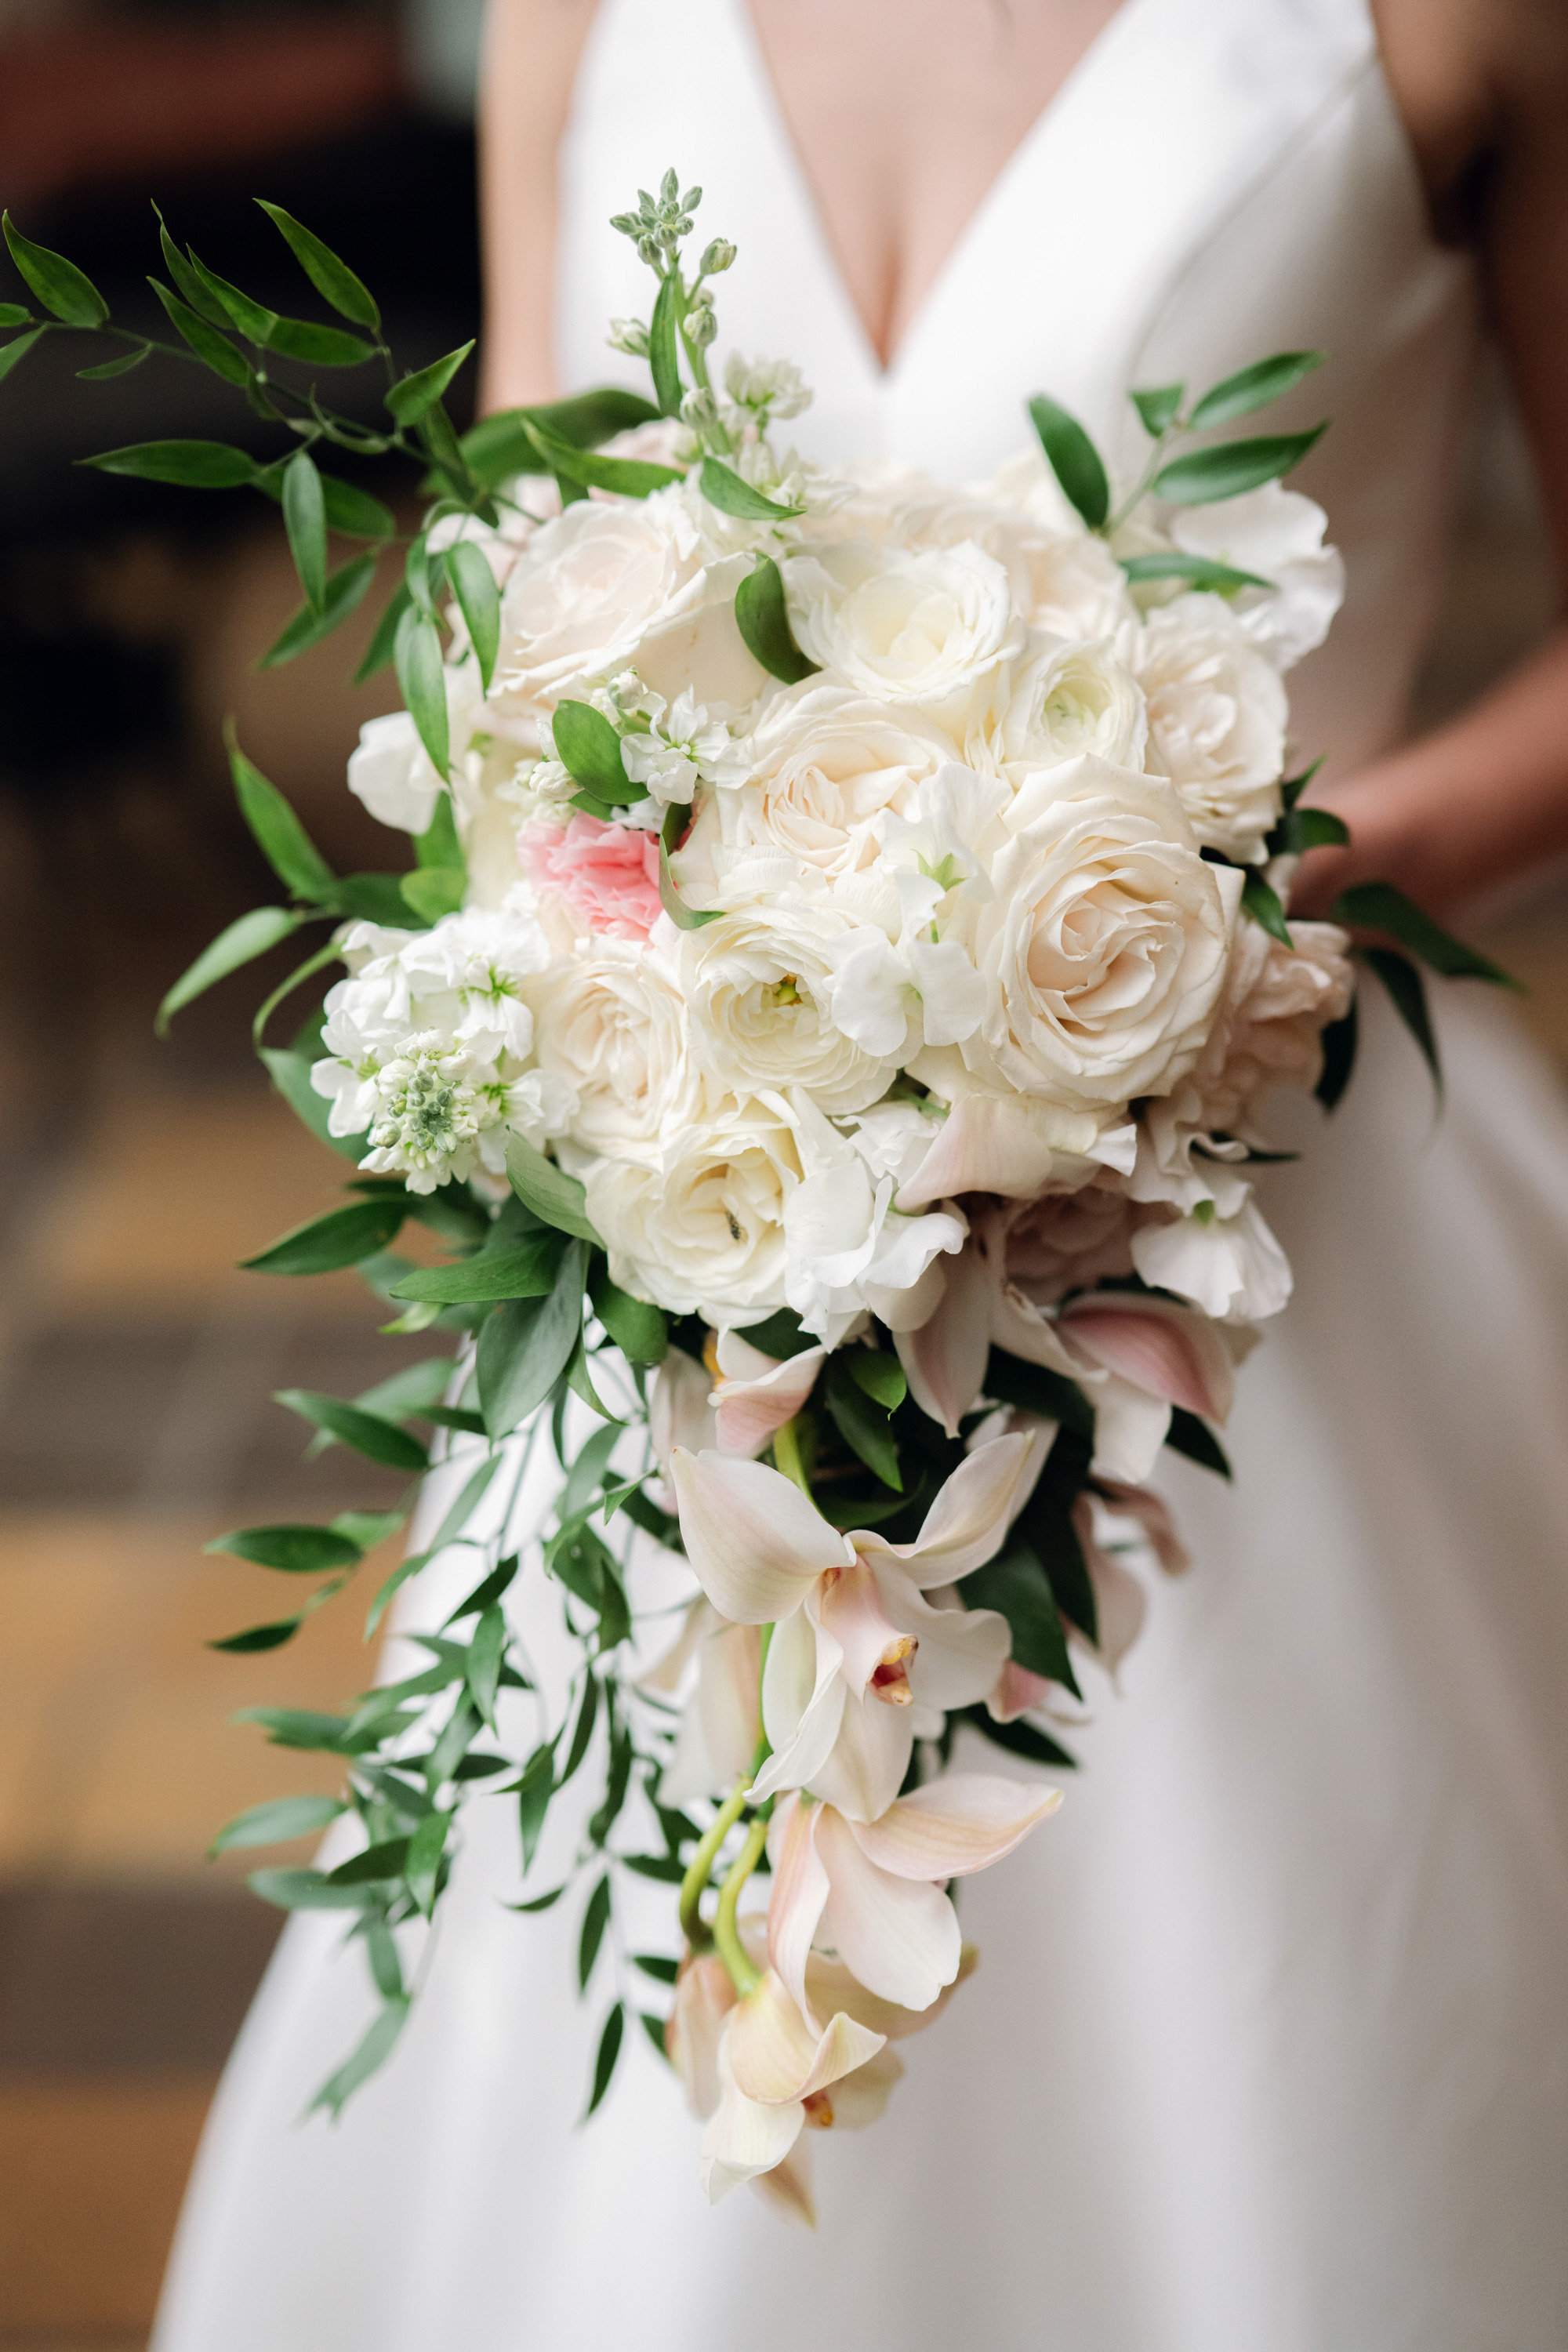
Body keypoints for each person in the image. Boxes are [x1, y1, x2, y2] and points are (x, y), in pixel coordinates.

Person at [154, 3, 1568, 2345]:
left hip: (1261, 1252)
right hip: (703, 1258)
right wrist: (623, 980)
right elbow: (523, 582)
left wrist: (1221, 927)